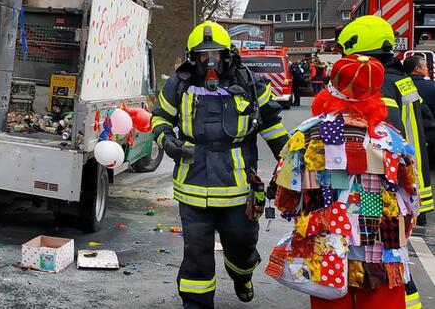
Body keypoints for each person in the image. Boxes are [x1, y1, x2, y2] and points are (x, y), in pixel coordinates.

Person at [151, 21, 288, 308]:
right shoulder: (180, 83)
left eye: (215, 54)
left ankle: (242, 276)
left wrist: (288, 161)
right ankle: (196, 304)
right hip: (193, 185)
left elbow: (272, 124)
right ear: (193, 56)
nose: (210, 61)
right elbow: (160, 117)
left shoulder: (248, 81)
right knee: (196, 252)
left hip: (238, 187)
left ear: (227, 54)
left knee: (241, 246)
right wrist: (166, 139)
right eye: (203, 55)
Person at [267, 54, 420, 308]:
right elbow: (410, 195)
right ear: (375, 93)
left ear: (333, 86)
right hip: (383, 248)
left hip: (326, 245)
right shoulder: (393, 140)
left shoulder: (306, 135)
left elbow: (286, 198)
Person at [337, 15, 433, 309]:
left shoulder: (376, 86)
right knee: (394, 252)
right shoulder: (404, 83)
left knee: (377, 253)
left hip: (378, 189)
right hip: (408, 187)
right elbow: (426, 127)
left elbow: (371, 144)